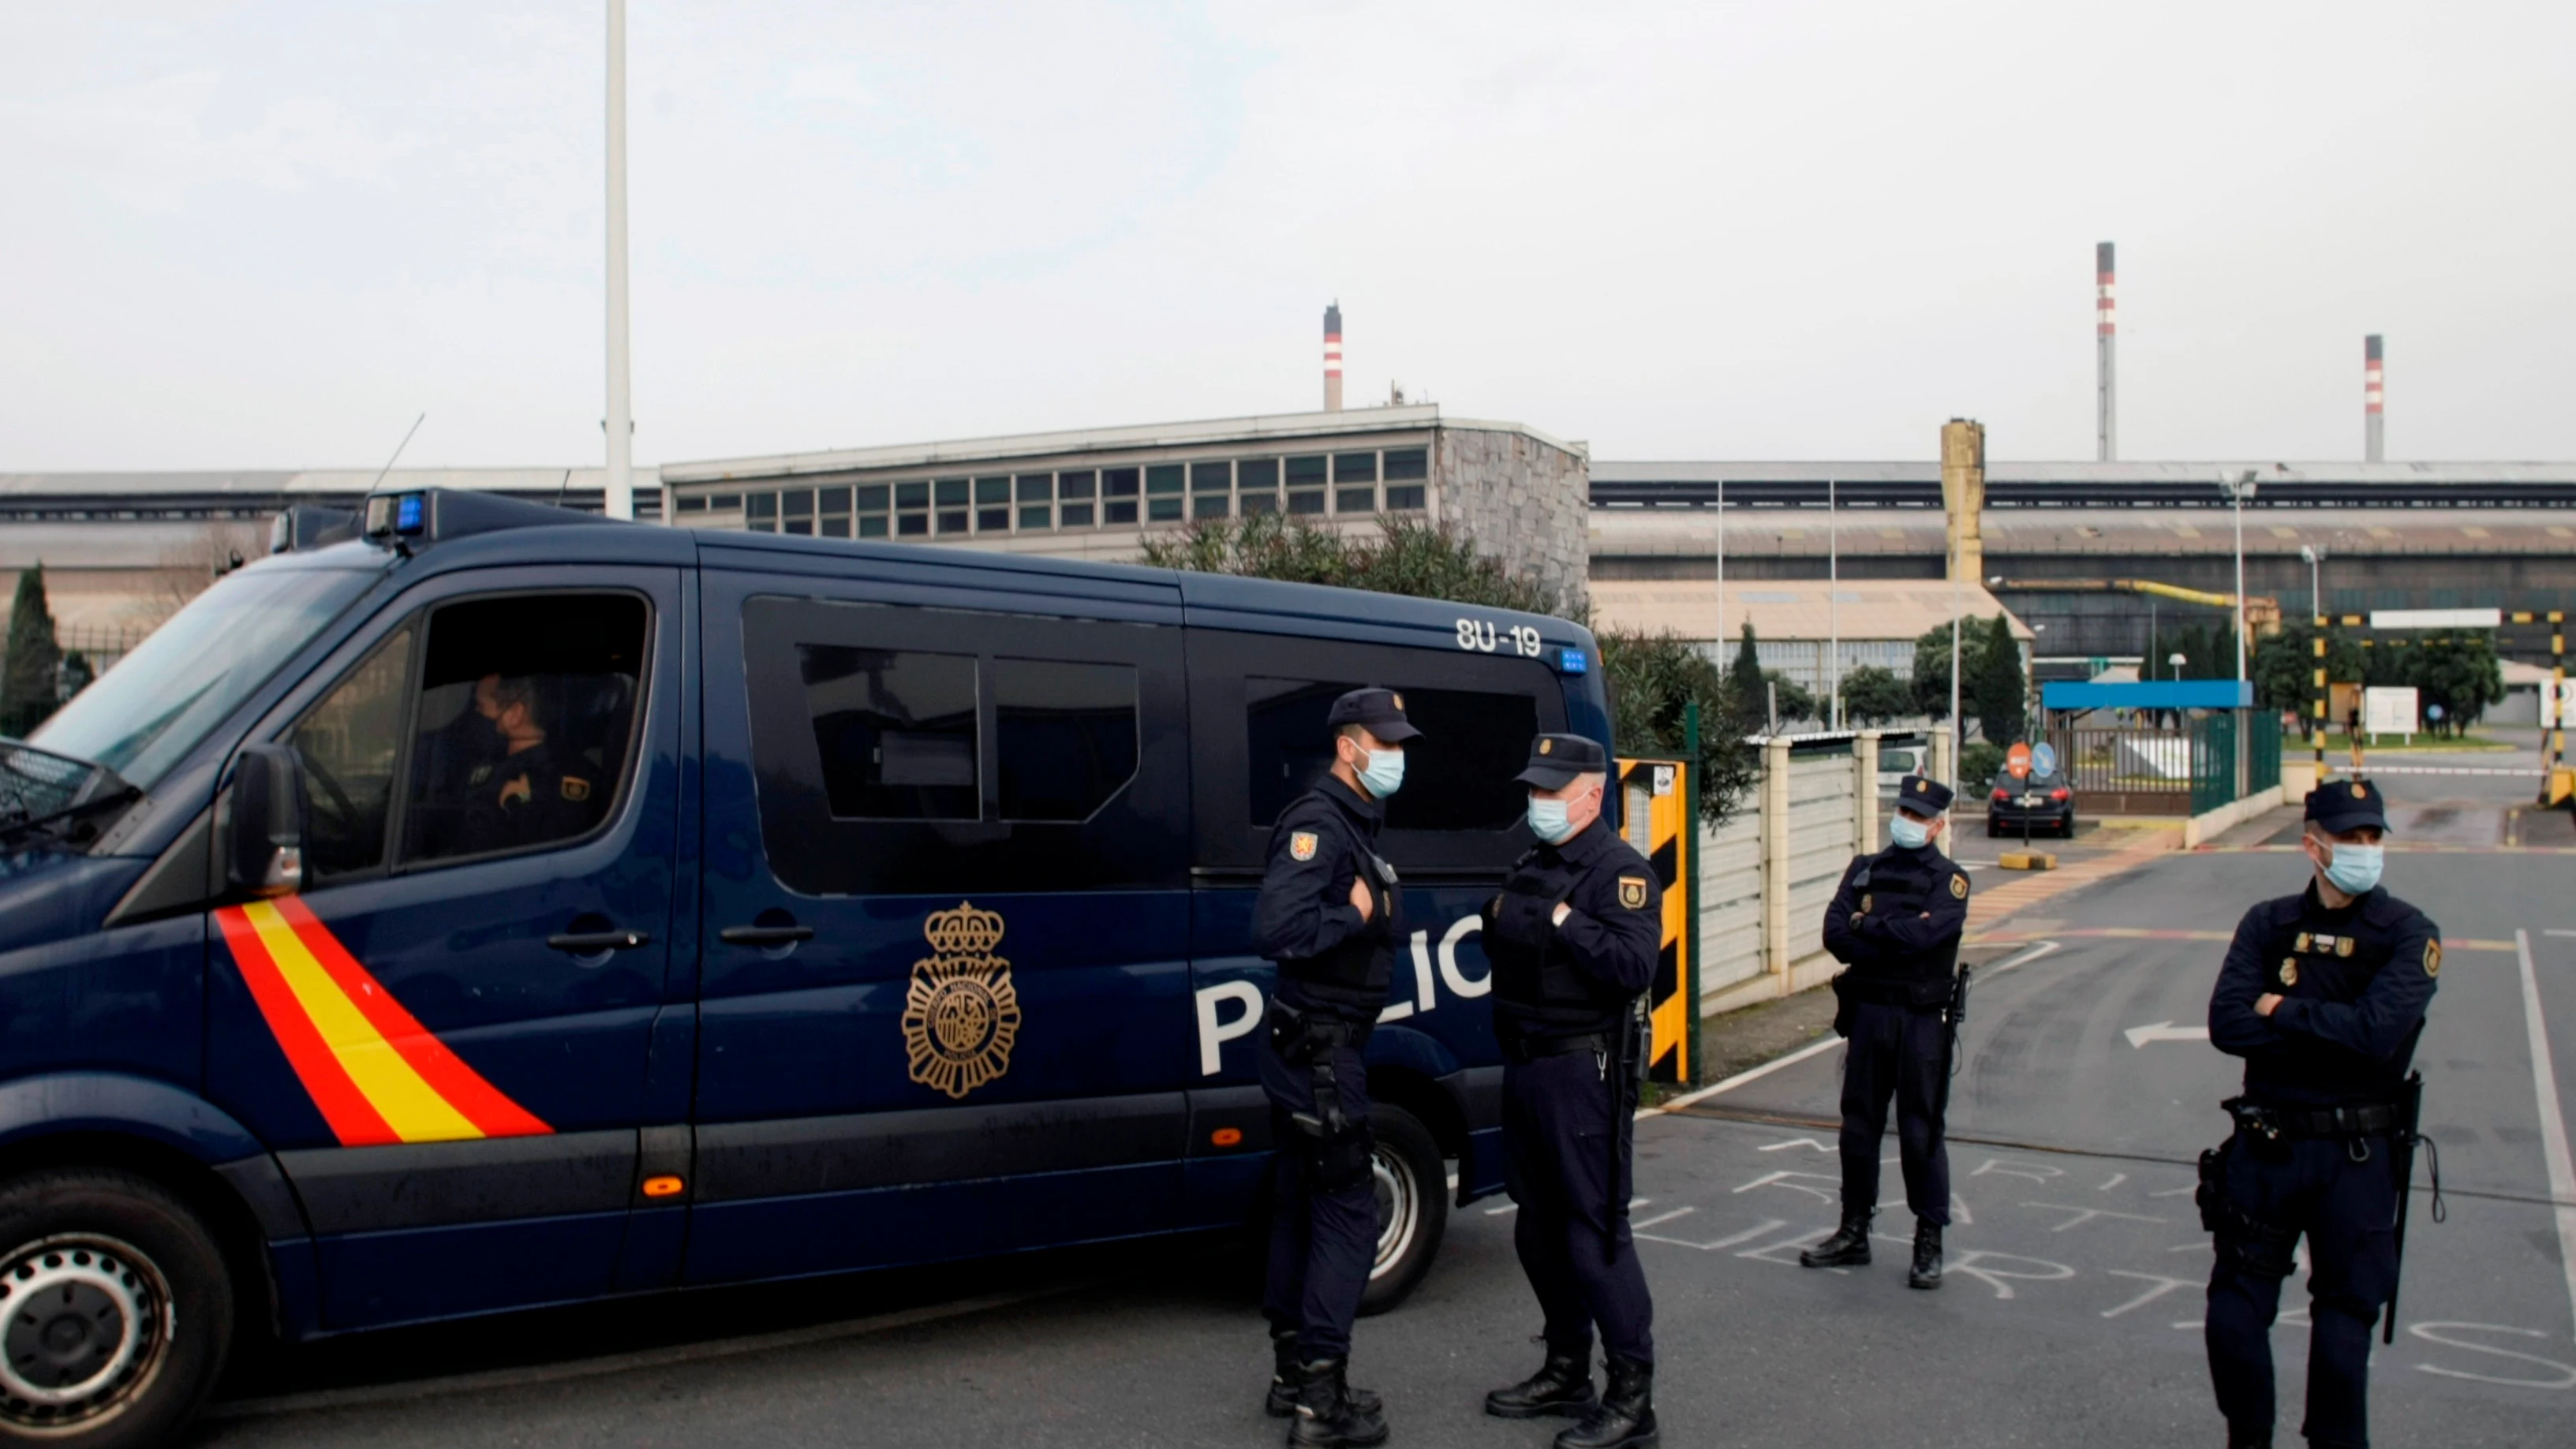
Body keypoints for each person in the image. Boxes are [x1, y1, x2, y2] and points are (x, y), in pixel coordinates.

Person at [2200, 779, 2437, 1449]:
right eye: (2349, 838)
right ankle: (2248, 1436)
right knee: (2232, 1316)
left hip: (2354, 1157)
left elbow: (2376, 1035)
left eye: (2373, 837)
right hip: (2266, 1143)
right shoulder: (2267, 923)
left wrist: (2281, 1010)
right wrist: (2329, 1030)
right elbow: (2225, 1023)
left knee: (2341, 1330)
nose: (2365, 849)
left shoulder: (2407, 933)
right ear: (2312, 844)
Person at [1479, 734, 1662, 1449]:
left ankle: (1632, 1396)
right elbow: (1497, 939)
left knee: (1594, 1234)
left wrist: (1562, 920)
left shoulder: (1620, 871)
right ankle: (1566, 1367)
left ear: (1592, 795)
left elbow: (1632, 964)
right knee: (1536, 1227)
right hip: (1525, 1065)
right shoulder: (1535, 864)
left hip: (1581, 1072)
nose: (1538, 803)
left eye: (1552, 791)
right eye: (1533, 790)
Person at [1252, 687, 1416, 1447]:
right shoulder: (1321, 822)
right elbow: (1279, 927)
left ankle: (1292, 1375)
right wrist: (1356, 912)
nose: (1394, 755)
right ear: (1348, 747)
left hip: (1310, 1047)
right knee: (1348, 1213)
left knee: (1298, 1203)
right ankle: (1322, 1399)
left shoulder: (1354, 818)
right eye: (1383, 743)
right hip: (1319, 1053)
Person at [1802, 773, 1970, 1289]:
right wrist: (1881, 932)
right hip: (1868, 1015)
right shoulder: (1863, 870)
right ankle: (1853, 1230)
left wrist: (1865, 926)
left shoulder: (1950, 879)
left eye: (1919, 816)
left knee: (1920, 1131)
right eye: (1904, 811)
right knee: (1858, 1127)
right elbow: (1834, 933)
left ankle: (1928, 1240)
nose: (1908, 822)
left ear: (1938, 824)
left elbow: (1927, 936)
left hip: (1920, 1022)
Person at [447, 673, 598, 857]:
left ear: (515, 714)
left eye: (480, 707)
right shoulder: (483, 761)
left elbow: (557, 854)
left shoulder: (563, 775)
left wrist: (522, 802)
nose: (474, 715)